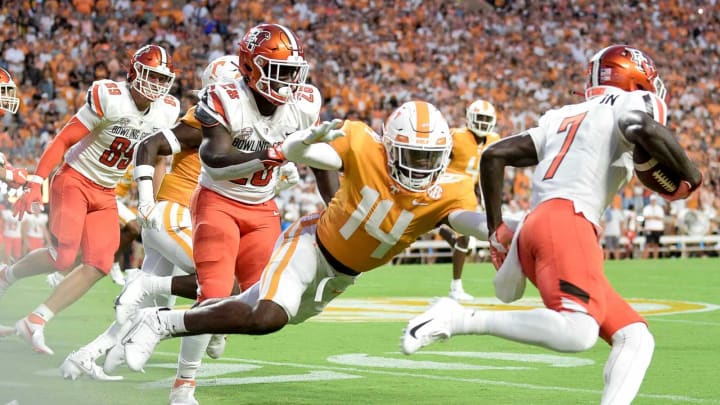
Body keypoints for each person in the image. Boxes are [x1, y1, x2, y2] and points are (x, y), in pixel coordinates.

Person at [115, 100, 503, 386]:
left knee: (253, 308)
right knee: (269, 316)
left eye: (427, 158)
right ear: (389, 147)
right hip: (310, 245)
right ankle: (161, 323)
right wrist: (299, 147)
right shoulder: (362, 144)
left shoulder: (447, 192)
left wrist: (513, 228)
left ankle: (154, 305)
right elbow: (308, 155)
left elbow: (478, 225)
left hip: (340, 276)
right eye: (412, 156)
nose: (419, 167)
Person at [401, 45, 703, 405]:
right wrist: (691, 177)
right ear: (634, 80)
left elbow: (495, 156)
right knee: (578, 333)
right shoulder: (631, 104)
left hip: (536, 227)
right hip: (569, 223)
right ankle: (457, 317)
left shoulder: (562, 115)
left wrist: (498, 230)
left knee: (635, 336)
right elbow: (639, 126)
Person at [116, 24, 338, 404]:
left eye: (291, 71)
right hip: (218, 202)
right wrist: (272, 154)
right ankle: (183, 386)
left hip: (263, 208)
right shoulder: (224, 97)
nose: (286, 80)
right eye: (277, 69)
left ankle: (156, 296)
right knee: (214, 295)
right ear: (251, 67)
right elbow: (215, 160)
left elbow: (319, 162)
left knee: (272, 306)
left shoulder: (303, 104)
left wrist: (337, 211)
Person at [59, 54, 244, 383]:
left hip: (181, 216)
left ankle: (84, 356)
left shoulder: (232, 120)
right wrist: (147, 199)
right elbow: (152, 145)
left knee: (151, 306)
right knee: (221, 285)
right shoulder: (209, 116)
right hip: (176, 215)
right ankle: (205, 342)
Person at [0, 44, 180, 355]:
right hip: (75, 178)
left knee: (99, 262)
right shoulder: (110, 96)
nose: (156, 84)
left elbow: (159, 158)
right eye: (150, 75)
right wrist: (36, 180)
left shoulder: (167, 110)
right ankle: (6, 276)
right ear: (135, 72)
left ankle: (36, 320)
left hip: (106, 190)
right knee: (64, 257)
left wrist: (155, 201)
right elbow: (64, 139)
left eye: (162, 79)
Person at [437, 99, 500, 301]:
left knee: (464, 240)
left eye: (485, 119)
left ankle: (456, 287)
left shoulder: (494, 139)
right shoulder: (456, 136)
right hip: (447, 190)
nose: (482, 123)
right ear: (469, 118)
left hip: (468, 195)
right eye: (478, 118)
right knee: (463, 240)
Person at [641, 194, 665, 259]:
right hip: (649, 228)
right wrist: (655, 217)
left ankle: (655, 258)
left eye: (654, 200)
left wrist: (652, 217)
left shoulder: (659, 208)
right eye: (652, 200)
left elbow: (661, 218)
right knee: (647, 244)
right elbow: (646, 217)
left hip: (657, 229)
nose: (653, 201)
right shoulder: (647, 208)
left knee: (656, 244)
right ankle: (645, 258)